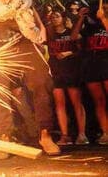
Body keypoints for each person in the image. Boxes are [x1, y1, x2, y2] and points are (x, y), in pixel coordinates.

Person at [0, 0, 60, 155]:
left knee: (42, 82)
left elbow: (38, 25)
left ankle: (45, 134)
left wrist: (40, 35)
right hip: (1, 52)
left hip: (25, 46)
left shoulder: (24, 2)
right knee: (0, 91)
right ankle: (5, 137)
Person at [47, 10, 88, 145]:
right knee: (60, 104)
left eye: (57, 16)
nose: (55, 19)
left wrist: (68, 53)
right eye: (52, 17)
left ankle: (82, 134)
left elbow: (80, 49)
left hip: (71, 72)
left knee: (76, 102)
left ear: (63, 18)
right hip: (56, 73)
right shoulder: (50, 35)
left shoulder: (70, 32)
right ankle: (65, 135)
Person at [71, 2, 108, 145]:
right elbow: (73, 37)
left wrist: (104, 19)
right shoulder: (90, 26)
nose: (103, 10)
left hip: (106, 63)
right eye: (102, 7)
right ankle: (106, 132)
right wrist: (80, 17)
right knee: (99, 101)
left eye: (106, 8)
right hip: (92, 66)